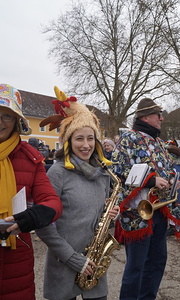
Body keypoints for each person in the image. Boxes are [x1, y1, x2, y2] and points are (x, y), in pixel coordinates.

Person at [35, 86, 120, 300]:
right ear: (69, 141)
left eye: (90, 138)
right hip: (64, 265)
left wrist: (109, 216)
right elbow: (44, 225)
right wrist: (73, 259)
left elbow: (96, 221)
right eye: (79, 138)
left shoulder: (103, 172)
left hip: (94, 265)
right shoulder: (57, 172)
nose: (86, 145)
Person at [111, 97, 180, 300]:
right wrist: (151, 181)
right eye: (157, 115)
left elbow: (168, 168)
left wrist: (172, 180)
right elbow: (116, 170)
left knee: (157, 262)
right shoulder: (128, 138)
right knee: (136, 267)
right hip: (137, 215)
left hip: (159, 212)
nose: (161, 118)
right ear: (145, 117)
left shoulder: (159, 142)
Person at [0, 83, 63, 299]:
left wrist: (34, 216)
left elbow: (51, 201)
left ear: (17, 121)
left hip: (16, 257)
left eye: (6, 115)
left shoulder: (30, 158)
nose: (0, 121)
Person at [166, 142, 180, 236]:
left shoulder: (177, 166)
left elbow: (174, 178)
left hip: (175, 191)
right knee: (172, 209)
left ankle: (174, 227)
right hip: (172, 190)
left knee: (174, 209)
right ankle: (172, 226)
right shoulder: (173, 165)